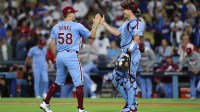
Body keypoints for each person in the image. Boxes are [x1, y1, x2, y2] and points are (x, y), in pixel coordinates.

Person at [39, 6, 101, 112]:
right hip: (71, 55)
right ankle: (80, 109)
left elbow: (52, 45)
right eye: (74, 12)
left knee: (58, 81)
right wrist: (95, 24)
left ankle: (45, 103)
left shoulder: (56, 26)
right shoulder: (77, 26)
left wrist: (56, 58)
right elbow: (92, 36)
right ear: (69, 14)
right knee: (79, 83)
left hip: (60, 55)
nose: (75, 14)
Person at [99, 0, 144, 111]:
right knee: (115, 78)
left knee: (129, 79)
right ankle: (131, 104)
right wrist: (103, 23)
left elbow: (137, 39)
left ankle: (131, 107)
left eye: (124, 9)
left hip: (131, 53)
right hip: (125, 53)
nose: (123, 11)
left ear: (130, 9)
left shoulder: (136, 22)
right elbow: (116, 32)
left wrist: (128, 53)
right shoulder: (126, 22)